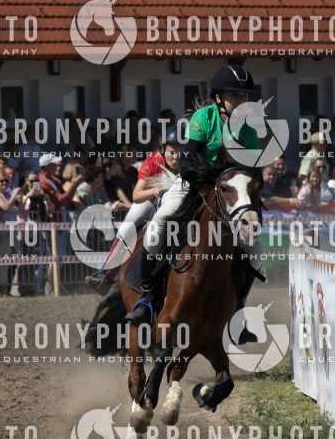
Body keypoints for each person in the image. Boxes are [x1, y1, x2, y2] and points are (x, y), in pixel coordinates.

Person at [126, 64, 259, 326]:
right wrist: (210, 179)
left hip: (230, 194)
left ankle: (238, 309)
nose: (241, 100)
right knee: (159, 222)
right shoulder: (203, 117)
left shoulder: (249, 130)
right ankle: (146, 297)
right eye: (235, 95)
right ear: (218, 98)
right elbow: (187, 161)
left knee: (256, 249)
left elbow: (254, 169)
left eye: (244, 96)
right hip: (194, 184)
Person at [85, 128, 182, 293]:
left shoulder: (188, 164)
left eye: (180, 153)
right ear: (163, 149)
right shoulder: (153, 160)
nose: (176, 157)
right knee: (126, 228)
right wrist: (153, 191)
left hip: (177, 206)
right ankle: (107, 276)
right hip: (150, 202)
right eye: (172, 152)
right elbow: (136, 195)